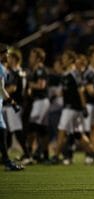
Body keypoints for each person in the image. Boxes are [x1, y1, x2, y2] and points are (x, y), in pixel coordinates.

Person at [51, 50, 94, 165]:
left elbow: (81, 90)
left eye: (65, 58)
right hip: (71, 107)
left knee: (61, 130)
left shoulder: (74, 74)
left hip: (72, 108)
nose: (63, 60)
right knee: (78, 134)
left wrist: (83, 106)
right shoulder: (67, 74)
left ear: (70, 60)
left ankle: (56, 156)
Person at [3, 48, 32, 165]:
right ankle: (5, 155)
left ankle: (27, 154)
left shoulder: (15, 73)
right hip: (17, 103)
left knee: (16, 130)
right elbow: (28, 90)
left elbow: (12, 88)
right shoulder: (23, 72)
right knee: (8, 130)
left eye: (9, 57)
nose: (7, 59)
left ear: (15, 59)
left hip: (13, 104)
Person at [0, 43, 24, 171]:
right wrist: (12, 102)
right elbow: (1, 89)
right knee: (2, 131)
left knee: (3, 130)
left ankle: (7, 161)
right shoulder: (1, 69)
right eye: (6, 53)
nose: (7, 55)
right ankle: (7, 163)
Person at [27, 48, 50, 162]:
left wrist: (29, 84)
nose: (30, 58)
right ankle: (44, 154)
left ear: (38, 58)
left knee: (32, 128)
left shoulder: (40, 70)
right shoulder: (35, 70)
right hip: (39, 101)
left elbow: (41, 85)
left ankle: (29, 153)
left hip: (41, 101)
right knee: (42, 130)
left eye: (32, 56)